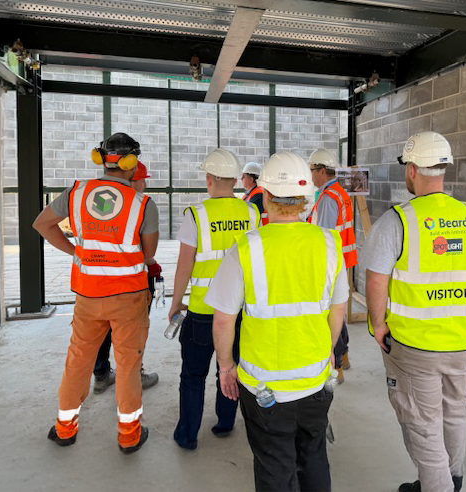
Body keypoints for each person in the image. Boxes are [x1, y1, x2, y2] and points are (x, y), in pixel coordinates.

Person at [363, 131, 466, 492]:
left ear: (411, 169)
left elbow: (375, 280)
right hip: (461, 340)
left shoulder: (397, 221)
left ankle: (437, 487)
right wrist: (459, 307)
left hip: (414, 344)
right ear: (444, 169)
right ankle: (451, 479)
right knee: (454, 413)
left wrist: (378, 325)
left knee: (422, 423)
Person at [208, 151, 348, 492]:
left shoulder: (245, 248)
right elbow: (338, 309)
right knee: (313, 457)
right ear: (305, 198)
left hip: (263, 387)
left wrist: (225, 367)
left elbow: (224, 320)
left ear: (266, 195)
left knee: (274, 464)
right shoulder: (329, 244)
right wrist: (328, 351)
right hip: (315, 381)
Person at [33, 132, 158, 454]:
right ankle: (129, 435)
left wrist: (76, 251)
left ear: (101, 160)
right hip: (128, 296)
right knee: (128, 364)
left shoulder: (76, 194)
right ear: (132, 163)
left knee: (78, 360)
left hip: (88, 296)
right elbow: (148, 254)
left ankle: (65, 428)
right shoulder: (143, 204)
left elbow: (42, 224)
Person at [168, 149, 260, 450]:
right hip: (239, 312)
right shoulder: (251, 213)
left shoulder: (196, 215)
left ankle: (187, 435)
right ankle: (225, 422)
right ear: (235, 180)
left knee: (193, 376)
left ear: (208, 179)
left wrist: (176, 302)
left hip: (202, 311)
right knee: (229, 367)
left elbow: (184, 265)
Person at [93, 161, 160, 394]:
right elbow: (148, 252)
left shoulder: (102, 204)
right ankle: (133, 376)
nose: (144, 185)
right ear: (132, 179)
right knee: (133, 331)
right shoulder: (140, 206)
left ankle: (101, 375)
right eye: (142, 180)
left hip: (99, 279)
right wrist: (151, 263)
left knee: (102, 328)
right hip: (131, 282)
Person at [308, 148, 357, 383]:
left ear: (321, 171)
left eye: (311, 170)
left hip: (331, 263)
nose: (310, 175)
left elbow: (324, 237)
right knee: (337, 308)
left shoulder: (328, 198)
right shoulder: (339, 192)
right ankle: (344, 355)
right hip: (342, 259)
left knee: (330, 314)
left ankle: (336, 365)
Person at [241, 161, 268, 225]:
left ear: (251, 180)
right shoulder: (251, 194)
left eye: (243, 176)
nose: (241, 179)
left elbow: (248, 215)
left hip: (261, 230)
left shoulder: (259, 195)